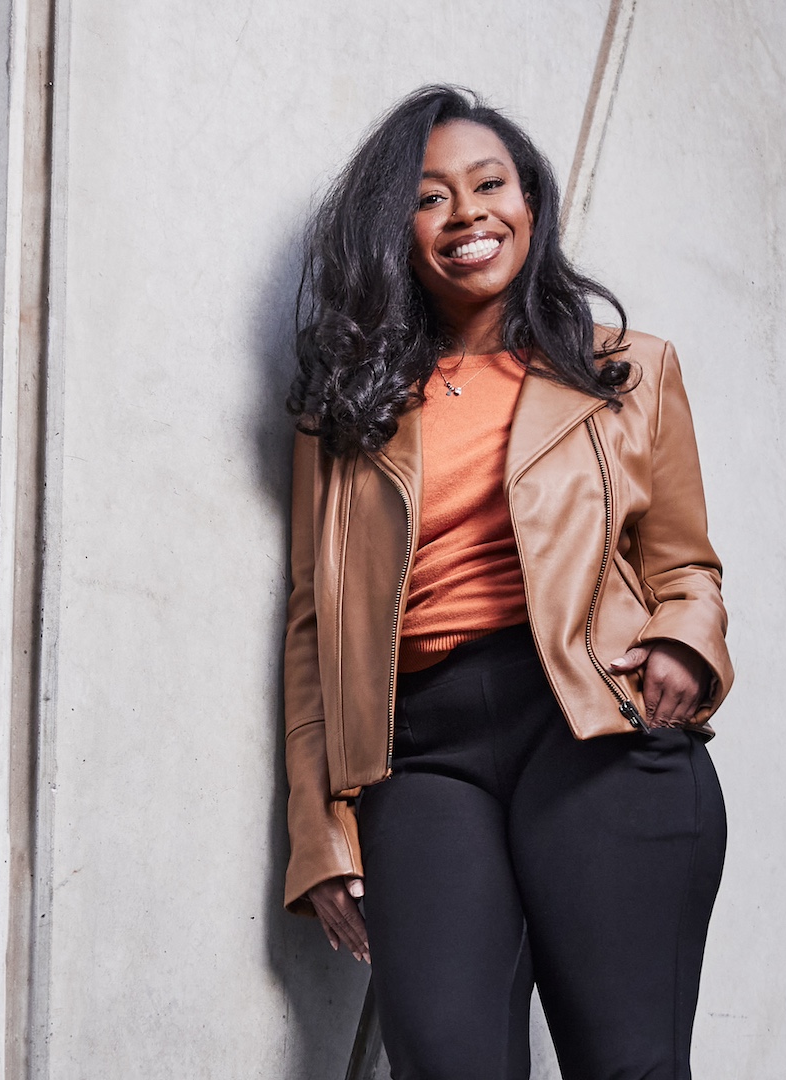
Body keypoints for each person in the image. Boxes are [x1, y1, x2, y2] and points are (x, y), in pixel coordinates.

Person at [281, 85, 731, 1080]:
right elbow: (316, 625)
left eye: (490, 184)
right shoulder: (346, 410)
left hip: (594, 727)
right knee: (444, 1060)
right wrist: (319, 834)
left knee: (629, 1065)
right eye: (431, 197)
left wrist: (683, 641)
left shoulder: (628, 371)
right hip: (421, 753)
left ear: (531, 201)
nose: (468, 213)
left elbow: (685, 563)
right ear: (395, 230)